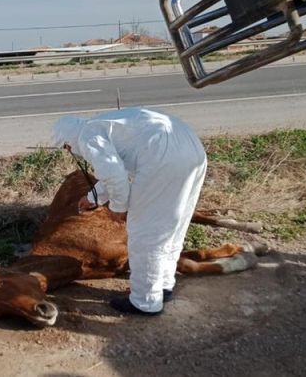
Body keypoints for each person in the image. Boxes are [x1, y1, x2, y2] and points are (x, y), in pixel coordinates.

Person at [52, 107, 207, 315]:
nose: (69, 150)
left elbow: (115, 176)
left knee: (145, 233)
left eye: (66, 147)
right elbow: (116, 168)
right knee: (171, 227)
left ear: (68, 139)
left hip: (164, 158)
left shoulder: (87, 136)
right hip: (192, 152)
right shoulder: (102, 126)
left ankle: (145, 301)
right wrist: (92, 198)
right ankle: (162, 286)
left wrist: (118, 208)